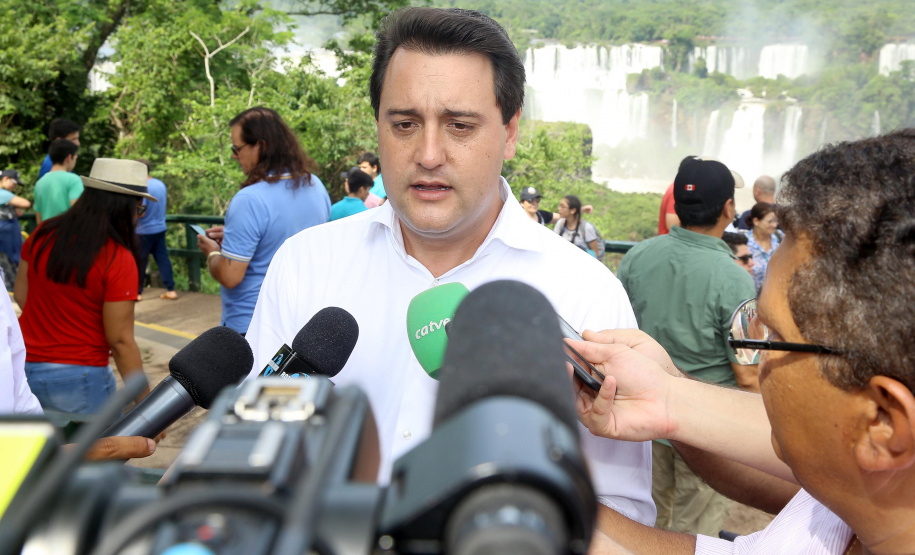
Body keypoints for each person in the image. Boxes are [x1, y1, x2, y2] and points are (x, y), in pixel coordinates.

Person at [242, 7, 655, 527]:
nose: (429, 153)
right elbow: (256, 451)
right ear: (378, 127)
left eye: (460, 126)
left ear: (509, 132)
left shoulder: (586, 293)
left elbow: (623, 511)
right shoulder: (305, 264)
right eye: (405, 124)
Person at [574, 129, 915, 555]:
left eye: (772, 338)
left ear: (883, 421)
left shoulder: (639, 255)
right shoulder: (836, 517)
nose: (761, 363)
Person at [617, 156, 758, 537]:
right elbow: (747, 373)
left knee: (647, 524)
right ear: (729, 209)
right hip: (707, 428)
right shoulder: (735, 280)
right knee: (695, 531)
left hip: (645, 419)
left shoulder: (637, 257)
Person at [15, 159, 153, 414]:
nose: (137, 217)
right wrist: (146, 403)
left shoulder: (43, 233)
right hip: (80, 376)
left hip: (24, 368)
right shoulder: (117, 257)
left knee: (41, 454)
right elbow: (120, 340)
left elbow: (22, 295)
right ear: (123, 208)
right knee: (99, 453)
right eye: (139, 209)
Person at [195, 107, 331, 335]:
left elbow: (230, 276)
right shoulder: (315, 186)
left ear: (261, 145)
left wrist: (213, 253)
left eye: (237, 148)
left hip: (252, 325)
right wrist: (236, 236)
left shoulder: (249, 199)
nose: (234, 156)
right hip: (299, 321)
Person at [136, 160, 177, 301]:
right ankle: (171, 289)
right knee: (162, 259)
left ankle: (137, 292)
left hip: (143, 230)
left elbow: (142, 211)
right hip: (160, 227)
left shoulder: (142, 186)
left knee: (140, 260)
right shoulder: (160, 184)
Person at [34, 139, 83, 224]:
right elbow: (78, 211)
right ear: (69, 157)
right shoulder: (74, 180)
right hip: (67, 233)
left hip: (47, 234)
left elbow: (39, 217)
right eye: (75, 157)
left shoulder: (40, 183)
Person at [0, 170, 31, 290]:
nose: (15, 186)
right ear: (6, 178)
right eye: (14, 183)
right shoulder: (3, 194)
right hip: (6, 243)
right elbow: (26, 203)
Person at [554, 194, 603, 260]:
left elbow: (596, 254)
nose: (559, 209)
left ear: (573, 210)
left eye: (563, 207)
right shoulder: (560, 224)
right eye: (559, 206)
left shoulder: (586, 228)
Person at [746, 201, 781, 292]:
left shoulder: (780, 238)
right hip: (753, 298)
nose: (775, 225)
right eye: (770, 221)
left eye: (776, 221)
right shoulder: (745, 243)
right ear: (756, 221)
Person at [519, 186, 592, 225]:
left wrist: (581, 210)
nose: (535, 203)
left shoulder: (541, 215)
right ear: (522, 203)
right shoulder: (518, 218)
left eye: (537, 200)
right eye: (530, 201)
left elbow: (562, 215)